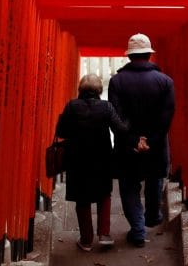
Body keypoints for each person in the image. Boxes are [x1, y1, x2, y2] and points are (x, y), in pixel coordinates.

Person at [108, 33, 175, 248]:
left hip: (127, 146)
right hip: (155, 145)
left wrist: (133, 140)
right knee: (154, 178)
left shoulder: (117, 81)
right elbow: (167, 117)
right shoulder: (165, 82)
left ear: (129, 56)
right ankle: (152, 216)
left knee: (129, 186)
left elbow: (115, 116)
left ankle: (137, 229)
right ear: (149, 55)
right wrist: (151, 141)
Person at [55, 73, 128, 252]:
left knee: (82, 198)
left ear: (80, 89)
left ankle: (86, 240)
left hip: (77, 158)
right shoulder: (106, 107)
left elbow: (61, 131)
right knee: (104, 194)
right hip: (102, 157)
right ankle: (104, 234)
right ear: (99, 90)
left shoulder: (72, 106)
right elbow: (120, 129)